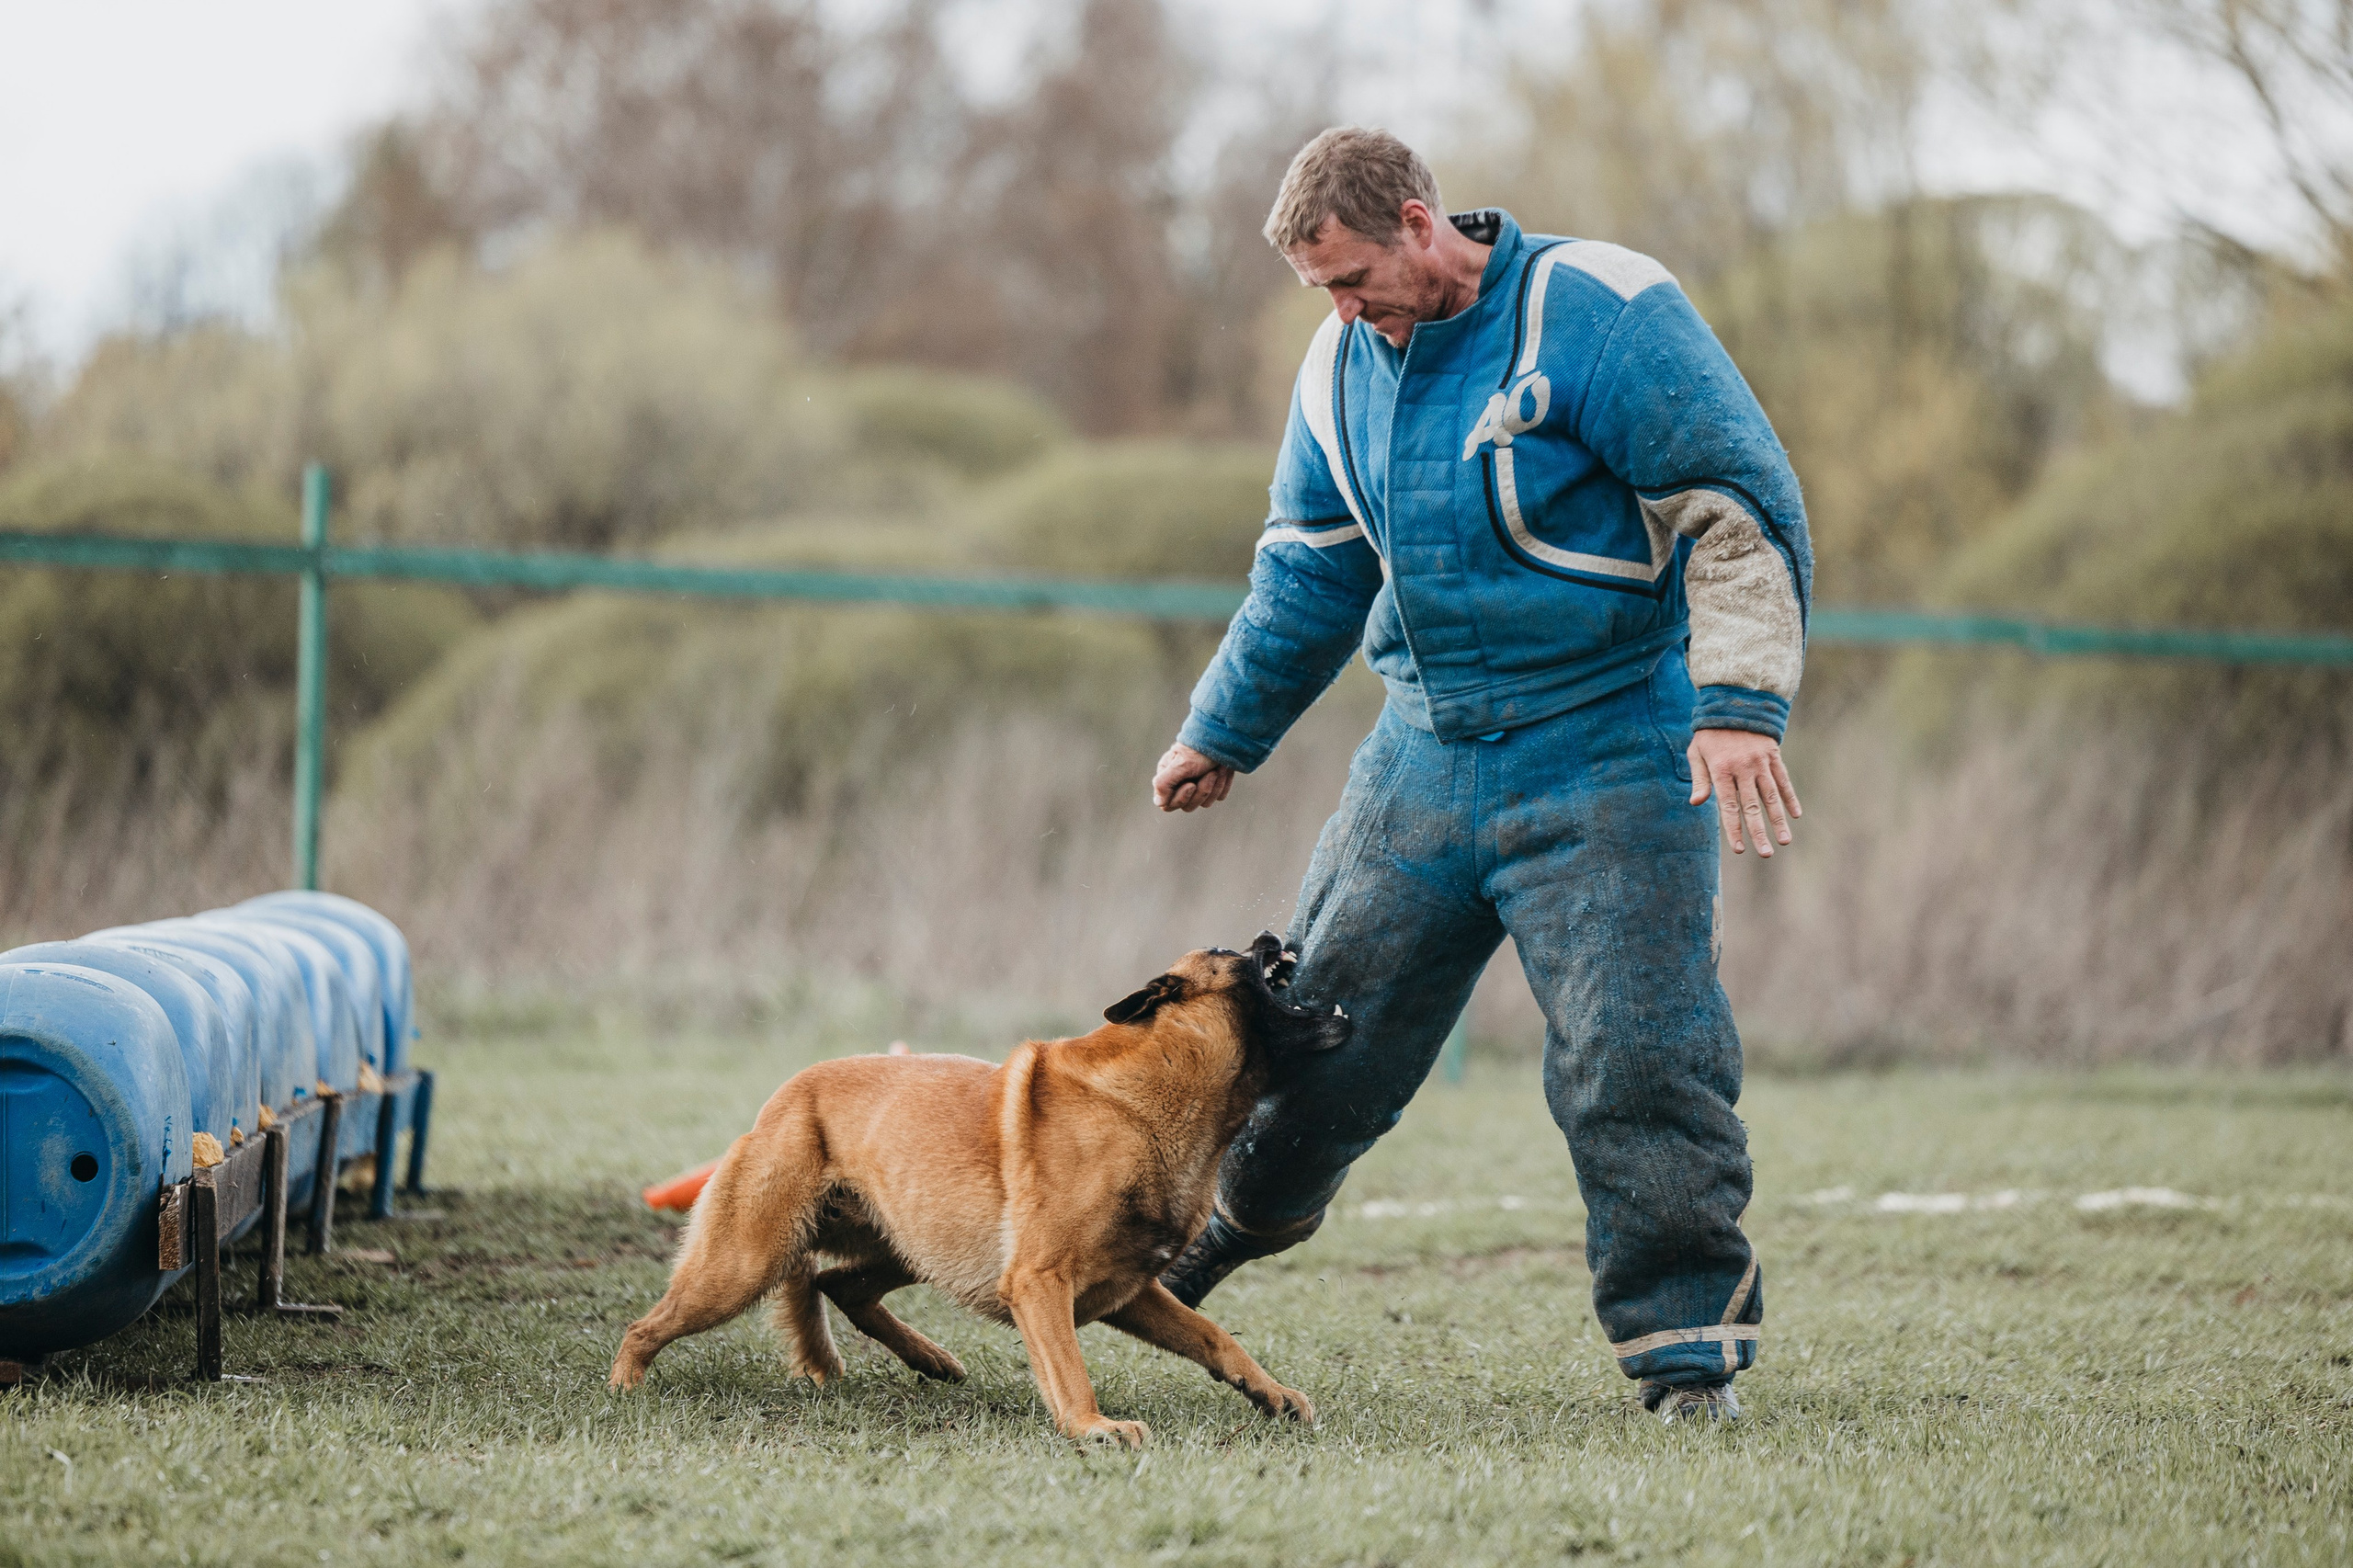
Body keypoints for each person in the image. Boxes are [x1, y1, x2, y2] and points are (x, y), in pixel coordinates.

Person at [1149, 127, 1810, 1425]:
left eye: (1352, 279)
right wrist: (1219, 728)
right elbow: (1309, 569)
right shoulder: (1341, 364)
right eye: (1320, 294)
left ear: (1417, 219)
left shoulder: (1603, 308)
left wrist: (1737, 704)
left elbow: (1739, 504)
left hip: (1612, 742)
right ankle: (1195, 1248)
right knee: (1309, 1042)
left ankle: (1685, 1358)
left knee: (1637, 1054)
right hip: (1425, 755)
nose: (1343, 312)